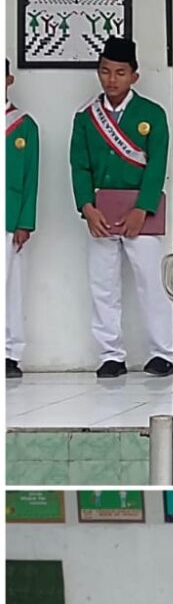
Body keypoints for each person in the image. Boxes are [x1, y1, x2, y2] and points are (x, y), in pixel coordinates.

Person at [68, 37, 172, 379]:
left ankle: (162, 352)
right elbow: (79, 165)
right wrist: (87, 207)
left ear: (134, 76)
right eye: (105, 71)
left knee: (150, 282)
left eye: (120, 72)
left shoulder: (152, 114)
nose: (111, 79)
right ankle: (111, 355)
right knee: (103, 285)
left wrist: (143, 208)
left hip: (141, 214)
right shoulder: (86, 117)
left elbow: (156, 166)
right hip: (100, 212)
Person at [6, 60, 38, 379]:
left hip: (10, 216)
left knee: (10, 287)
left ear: (9, 79)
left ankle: (9, 352)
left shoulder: (24, 125)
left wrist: (25, 221)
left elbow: (31, 178)